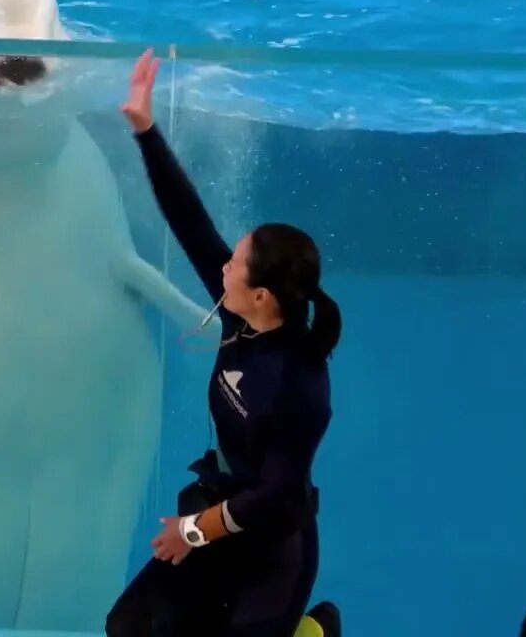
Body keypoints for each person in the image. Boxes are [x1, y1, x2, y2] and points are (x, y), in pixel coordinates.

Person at [104, 47, 343, 637]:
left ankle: (314, 631)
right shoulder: (241, 315)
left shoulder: (300, 382)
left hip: (271, 541)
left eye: (236, 264)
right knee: (129, 627)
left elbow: (277, 495)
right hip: (221, 511)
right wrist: (144, 128)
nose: (223, 268)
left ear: (263, 294)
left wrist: (192, 531)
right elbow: (190, 220)